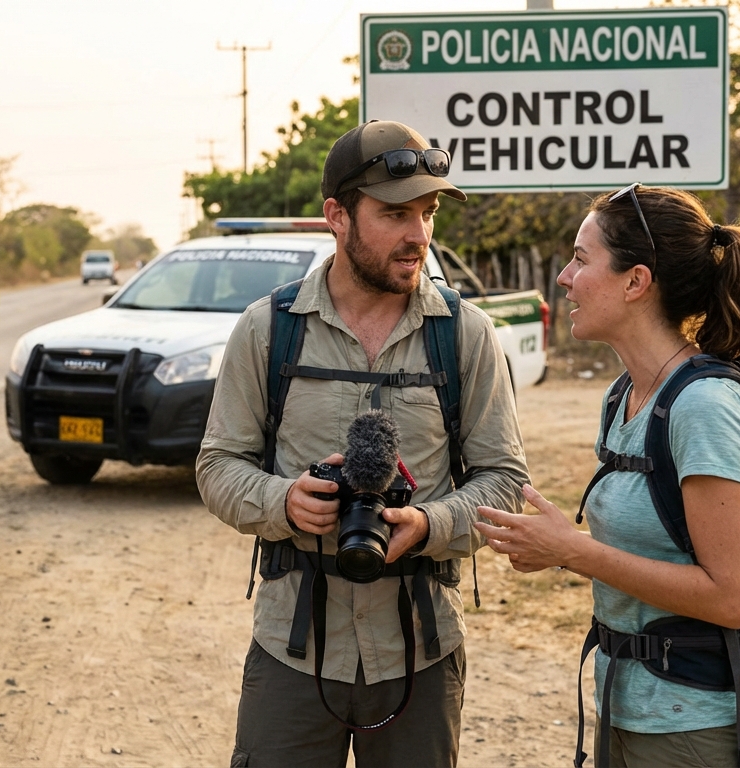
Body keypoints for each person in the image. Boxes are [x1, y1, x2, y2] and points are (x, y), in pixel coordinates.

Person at [197, 120, 529, 767]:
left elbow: (505, 480)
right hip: (292, 647)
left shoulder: (465, 335)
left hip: (420, 650)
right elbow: (216, 466)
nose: (419, 236)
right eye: (395, 214)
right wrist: (283, 501)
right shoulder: (269, 330)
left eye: (427, 213)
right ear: (337, 216)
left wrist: (430, 523)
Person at [476, 185, 740, 767]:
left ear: (635, 282)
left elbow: (731, 597)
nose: (564, 277)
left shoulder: (705, 408)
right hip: (626, 710)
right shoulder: (627, 396)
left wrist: (572, 550)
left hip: (698, 729)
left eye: (581, 259)